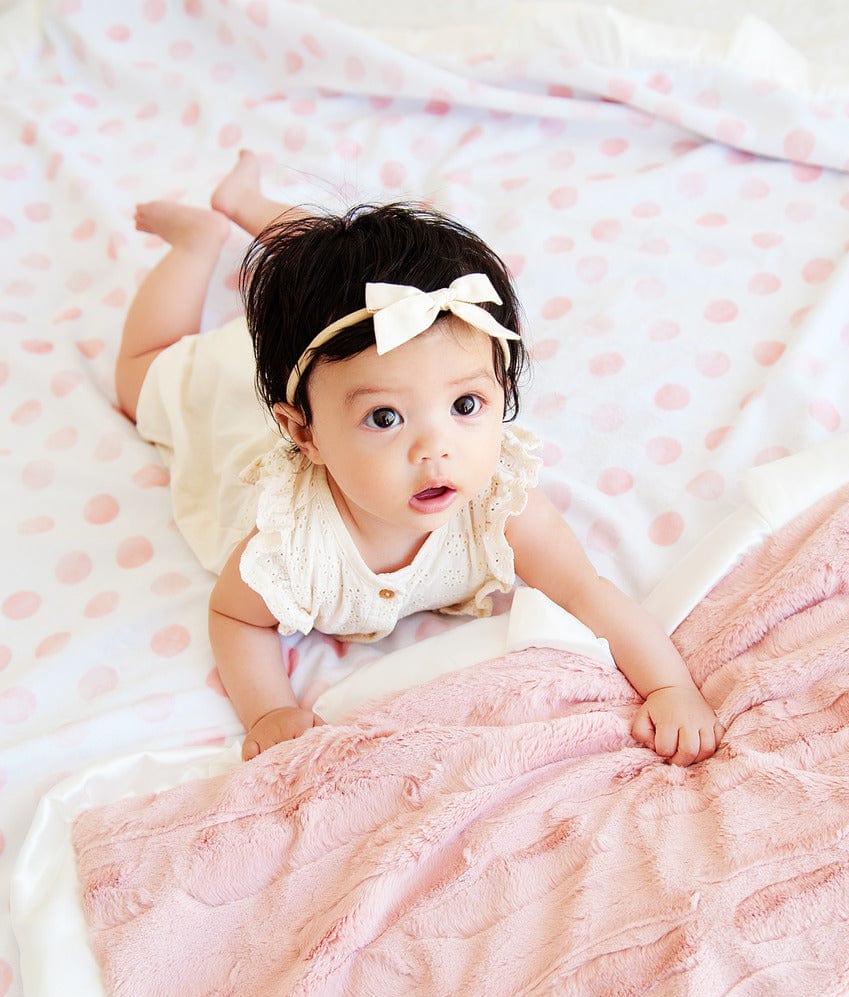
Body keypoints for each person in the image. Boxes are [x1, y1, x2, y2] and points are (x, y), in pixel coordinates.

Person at [115, 151, 724, 766]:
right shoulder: (290, 544)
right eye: (385, 418)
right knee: (140, 378)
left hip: (341, 360)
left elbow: (585, 592)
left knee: (335, 270)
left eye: (466, 404)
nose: (438, 448)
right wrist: (271, 709)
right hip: (230, 406)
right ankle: (198, 244)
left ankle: (249, 206)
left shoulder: (499, 504)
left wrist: (670, 687)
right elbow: (237, 618)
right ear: (305, 434)